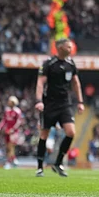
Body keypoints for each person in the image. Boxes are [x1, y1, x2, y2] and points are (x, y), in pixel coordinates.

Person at [35, 38, 85, 177]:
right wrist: (39, 101)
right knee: (44, 134)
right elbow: (40, 83)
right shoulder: (49, 64)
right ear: (60, 47)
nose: (71, 49)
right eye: (68, 47)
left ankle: (58, 163)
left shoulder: (71, 64)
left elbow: (76, 83)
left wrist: (80, 102)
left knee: (71, 132)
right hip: (49, 104)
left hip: (65, 104)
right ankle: (40, 167)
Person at [0, 96, 24, 170]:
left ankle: (8, 162)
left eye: (10, 101)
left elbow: (19, 122)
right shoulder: (7, 110)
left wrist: (13, 129)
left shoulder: (17, 111)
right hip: (7, 131)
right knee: (8, 147)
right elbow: (4, 120)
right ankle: (14, 160)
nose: (8, 102)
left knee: (10, 147)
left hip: (13, 132)